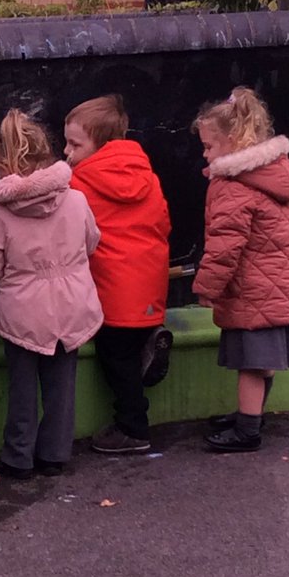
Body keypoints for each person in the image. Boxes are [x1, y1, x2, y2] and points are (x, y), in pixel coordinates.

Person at [0, 109, 103, 478]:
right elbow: (92, 242)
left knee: (22, 390)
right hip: (72, 308)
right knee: (62, 387)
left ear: (3, 163)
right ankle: (55, 454)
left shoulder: (1, 212)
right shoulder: (76, 199)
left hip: (23, 314)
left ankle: (18, 457)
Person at [191, 86, 289, 452]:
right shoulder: (275, 174)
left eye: (210, 147)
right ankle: (251, 415)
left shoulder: (233, 186)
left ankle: (247, 430)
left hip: (253, 289)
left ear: (234, 142)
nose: (205, 154)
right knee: (264, 363)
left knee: (252, 366)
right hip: (277, 286)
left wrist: (207, 287)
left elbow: (226, 246)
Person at [64, 94, 172, 454]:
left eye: (75, 144)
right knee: (130, 344)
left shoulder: (79, 183)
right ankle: (150, 340)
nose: (67, 152)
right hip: (150, 282)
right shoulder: (148, 175)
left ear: (101, 143)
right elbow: (164, 223)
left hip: (111, 288)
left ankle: (133, 428)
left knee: (116, 360)